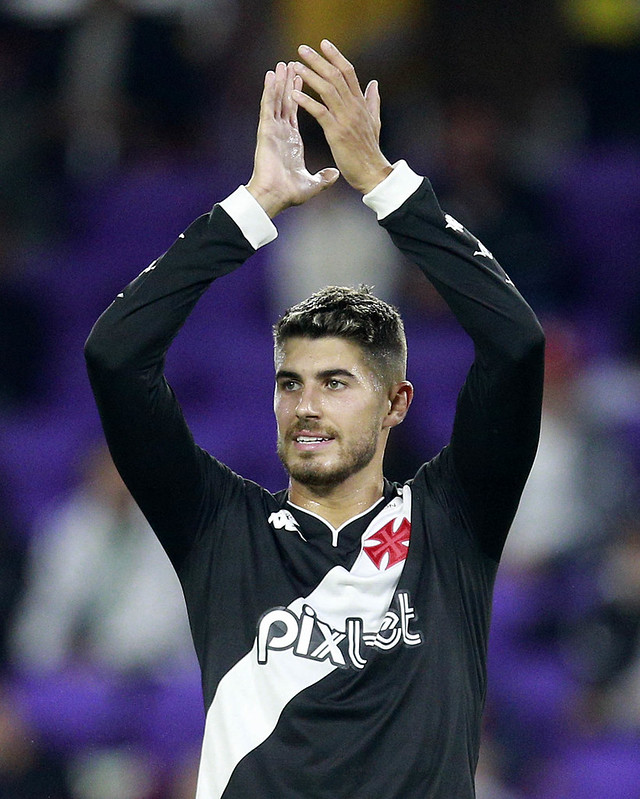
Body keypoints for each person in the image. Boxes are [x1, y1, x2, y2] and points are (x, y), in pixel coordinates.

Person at [85, 40, 545, 799]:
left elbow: (516, 344)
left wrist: (384, 185)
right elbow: (115, 355)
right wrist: (252, 207)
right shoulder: (219, 529)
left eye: (336, 383)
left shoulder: (452, 522)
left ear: (396, 403)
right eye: (290, 383)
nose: (306, 404)